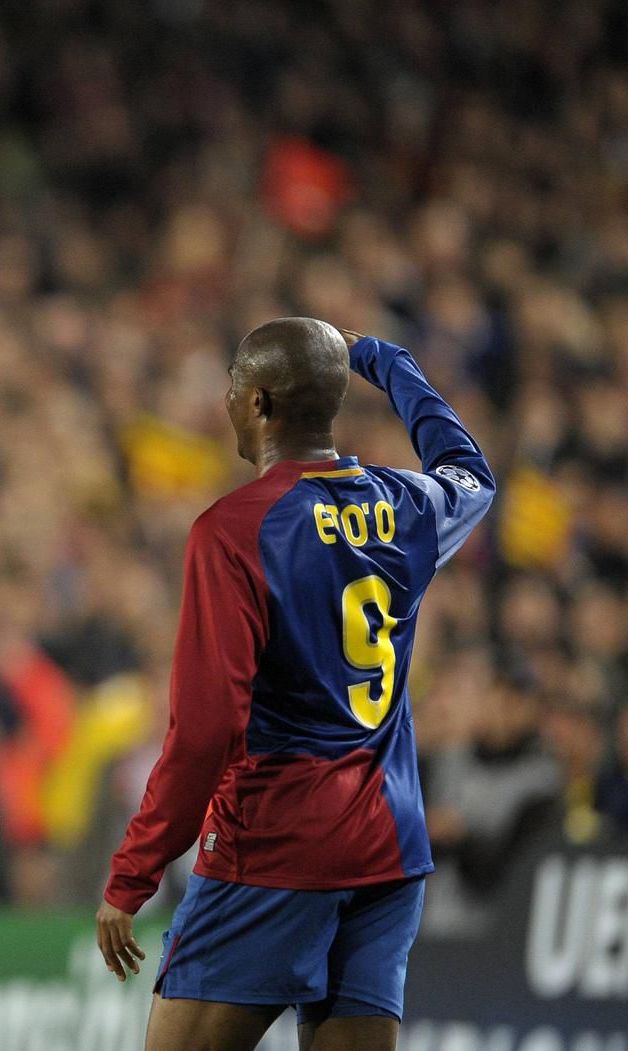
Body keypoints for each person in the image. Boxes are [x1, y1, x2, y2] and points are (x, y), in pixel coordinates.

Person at [96, 319, 495, 1051]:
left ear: (262, 403)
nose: (226, 401)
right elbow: (471, 473)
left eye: (233, 387)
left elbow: (206, 730)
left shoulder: (234, 530)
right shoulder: (406, 508)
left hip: (276, 848)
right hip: (389, 853)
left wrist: (134, 870)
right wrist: (388, 361)